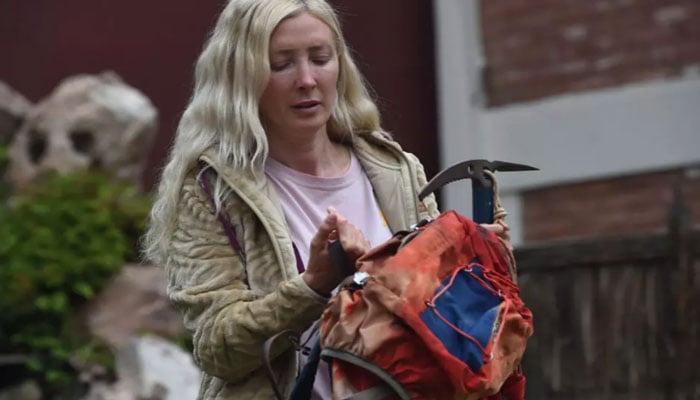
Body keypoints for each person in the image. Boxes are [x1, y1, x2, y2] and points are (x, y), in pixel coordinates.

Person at [143, 0, 509, 399]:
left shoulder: (393, 169)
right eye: (281, 64)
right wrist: (313, 285)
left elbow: (439, 314)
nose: (306, 79)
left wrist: (475, 263)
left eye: (320, 58)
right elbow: (219, 348)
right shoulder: (211, 190)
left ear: (340, 64)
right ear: (242, 77)